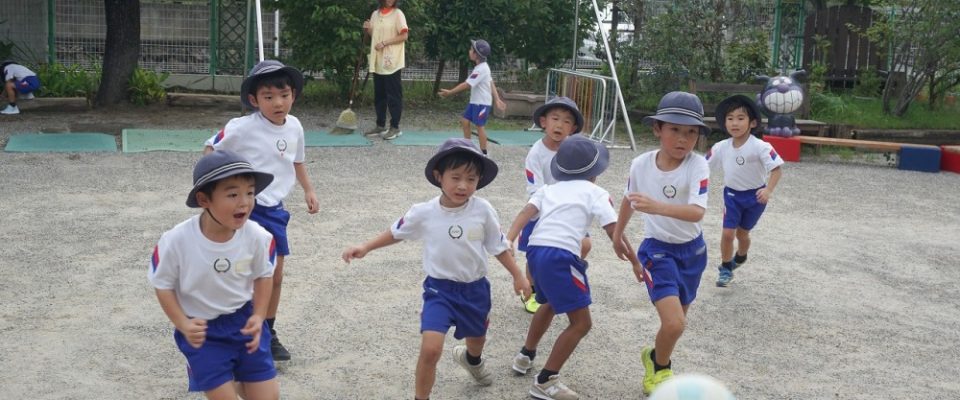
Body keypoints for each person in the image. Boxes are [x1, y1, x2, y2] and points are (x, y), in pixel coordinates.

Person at [341, 138, 530, 400]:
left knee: (476, 341)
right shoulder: (424, 212)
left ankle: (472, 360)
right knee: (431, 350)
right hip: (439, 290)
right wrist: (366, 247)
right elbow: (397, 232)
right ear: (439, 176)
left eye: (471, 179)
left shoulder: (483, 210)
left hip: (475, 290)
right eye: (456, 177)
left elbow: (497, 246)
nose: (463, 186)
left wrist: (518, 275)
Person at [506, 135, 640, 400]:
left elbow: (525, 212)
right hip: (561, 257)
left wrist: (509, 238)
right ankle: (546, 380)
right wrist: (635, 261)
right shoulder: (597, 193)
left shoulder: (549, 189)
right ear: (596, 172)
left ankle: (526, 354)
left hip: (535, 251)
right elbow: (616, 231)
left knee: (549, 303)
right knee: (581, 323)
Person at [204, 60, 319, 361]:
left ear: (293, 94)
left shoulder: (294, 126)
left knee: (275, 274)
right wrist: (218, 193)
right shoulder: (241, 127)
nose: (278, 103)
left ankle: (268, 330)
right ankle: (230, 329)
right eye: (268, 96)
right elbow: (210, 150)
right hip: (246, 210)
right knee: (241, 272)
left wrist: (308, 189)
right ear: (254, 101)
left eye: (284, 94)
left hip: (275, 211)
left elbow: (296, 161)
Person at [148, 150, 280, 400]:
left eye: (250, 192)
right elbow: (162, 284)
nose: (244, 202)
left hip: (244, 321)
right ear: (204, 199)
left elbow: (264, 276)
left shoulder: (258, 237)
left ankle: (239, 379)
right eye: (232, 194)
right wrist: (182, 323)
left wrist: (259, 314)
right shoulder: (176, 241)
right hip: (202, 331)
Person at [611, 91, 711, 395]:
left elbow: (697, 213)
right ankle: (661, 372)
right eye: (675, 130)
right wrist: (618, 234)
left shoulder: (698, 166)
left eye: (691, 132)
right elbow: (631, 199)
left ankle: (654, 358)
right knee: (675, 324)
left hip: (693, 253)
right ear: (657, 129)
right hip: (657, 251)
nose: (683, 139)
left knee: (676, 323)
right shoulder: (640, 164)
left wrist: (657, 206)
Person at [516, 97, 591, 314]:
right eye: (555, 119)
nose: (559, 125)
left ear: (574, 128)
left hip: (568, 211)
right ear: (543, 121)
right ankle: (530, 289)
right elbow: (535, 188)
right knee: (534, 252)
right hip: (540, 211)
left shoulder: (574, 150)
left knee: (585, 245)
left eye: (567, 121)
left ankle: (561, 272)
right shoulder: (536, 153)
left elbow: (583, 178)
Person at [706, 95, 783, 287]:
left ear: (752, 122)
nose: (735, 123)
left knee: (742, 234)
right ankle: (725, 268)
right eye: (730, 118)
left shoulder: (761, 146)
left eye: (741, 118)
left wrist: (768, 190)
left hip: (756, 197)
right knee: (727, 234)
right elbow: (702, 166)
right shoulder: (720, 147)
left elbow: (776, 169)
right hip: (732, 196)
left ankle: (741, 256)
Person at [437, 39, 506, 155]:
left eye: (471, 49)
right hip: (475, 102)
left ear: (476, 54)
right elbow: (491, 81)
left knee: (479, 126)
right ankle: (468, 147)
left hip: (482, 103)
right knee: (465, 121)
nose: (469, 51)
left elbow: (467, 84)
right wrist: (497, 99)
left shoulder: (481, 69)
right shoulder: (482, 67)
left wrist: (450, 92)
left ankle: (484, 153)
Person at [362, 0, 409, 140]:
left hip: (392, 60)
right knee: (379, 95)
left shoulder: (398, 14)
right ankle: (380, 125)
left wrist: (385, 43)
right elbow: (374, 35)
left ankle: (395, 127)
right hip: (378, 61)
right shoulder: (375, 14)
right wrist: (367, 29)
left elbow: (404, 35)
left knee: (394, 96)